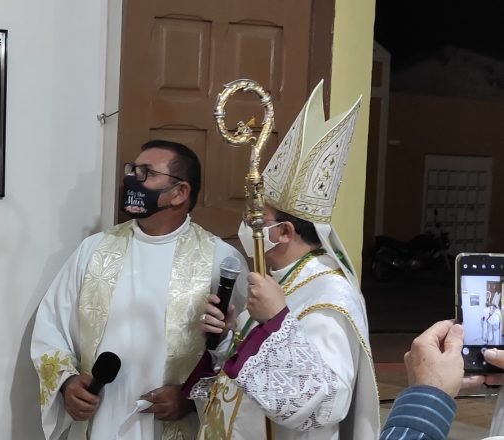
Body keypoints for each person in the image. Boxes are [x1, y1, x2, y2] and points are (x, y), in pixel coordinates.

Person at [185, 81, 380, 439]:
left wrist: (276, 320)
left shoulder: (330, 298)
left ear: (286, 232)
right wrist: (229, 337)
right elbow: (251, 372)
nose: (247, 227)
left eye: (258, 221)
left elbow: (326, 405)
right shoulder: (279, 279)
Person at [30, 139, 247, 439]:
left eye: (146, 173)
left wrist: (190, 398)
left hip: (173, 425)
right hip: (101, 418)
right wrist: (67, 383)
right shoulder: (94, 250)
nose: (132, 179)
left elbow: (241, 353)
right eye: (132, 170)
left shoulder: (220, 261)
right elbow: (51, 326)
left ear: (180, 192)